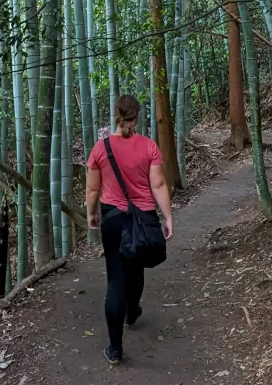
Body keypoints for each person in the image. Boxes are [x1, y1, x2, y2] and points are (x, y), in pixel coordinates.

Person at [86, 94, 174, 366]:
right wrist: (168, 217)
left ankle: (115, 349)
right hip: (143, 217)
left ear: (117, 115)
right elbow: (158, 186)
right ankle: (132, 311)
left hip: (112, 218)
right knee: (135, 269)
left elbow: (92, 189)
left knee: (115, 279)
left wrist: (91, 214)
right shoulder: (149, 147)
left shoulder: (100, 149)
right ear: (137, 117)